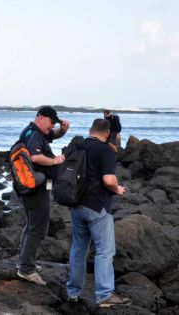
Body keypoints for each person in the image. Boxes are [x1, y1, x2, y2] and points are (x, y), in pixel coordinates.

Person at [66, 118, 131, 308]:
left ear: (90, 130)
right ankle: (104, 295)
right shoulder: (105, 150)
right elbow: (109, 180)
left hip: (75, 204)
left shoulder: (77, 147)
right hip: (97, 207)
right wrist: (118, 189)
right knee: (105, 250)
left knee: (78, 249)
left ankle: (73, 292)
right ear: (107, 134)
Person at [16, 106, 70, 285]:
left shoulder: (38, 132)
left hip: (35, 185)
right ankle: (26, 269)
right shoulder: (33, 133)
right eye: (51, 121)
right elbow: (34, 157)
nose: (52, 125)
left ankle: (25, 262)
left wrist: (62, 129)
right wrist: (55, 160)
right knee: (38, 228)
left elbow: (52, 135)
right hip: (35, 187)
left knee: (32, 224)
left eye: (55, 122)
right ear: (40, 117)